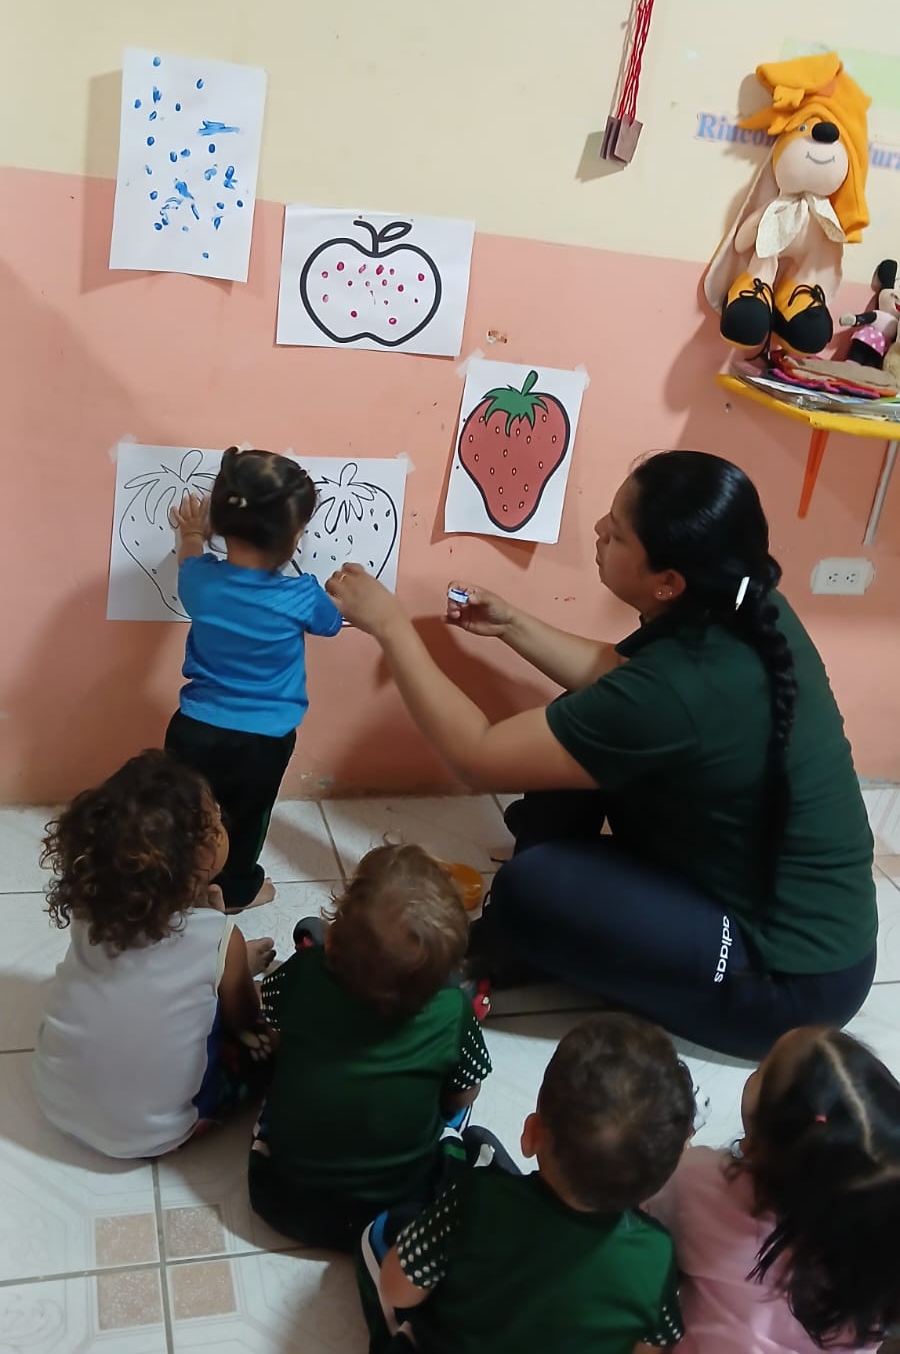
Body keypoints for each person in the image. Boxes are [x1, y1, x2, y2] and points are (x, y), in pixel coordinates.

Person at [325, 451, 877, 1060]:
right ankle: (545, 931)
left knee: (533, 889)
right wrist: (512, 624)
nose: (596, 531)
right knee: (576, 725)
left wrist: (392, 627)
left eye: (615, 533)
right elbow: (620, 676)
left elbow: (477, 755)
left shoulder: (688, 683)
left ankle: (523, 939)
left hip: (786, 986)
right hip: (740, 888)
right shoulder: (744, 600)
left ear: (668, 582)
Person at [359, 1012, 694, 1354]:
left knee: (376, 1237)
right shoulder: (656, 1256)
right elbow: (653, 1346)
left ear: (531, 1134)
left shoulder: (477, 1200)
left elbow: (397, 1289)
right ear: (658, 1183)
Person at [248, 842, 494, 1251]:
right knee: (460, 1095)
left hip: (287, 1199)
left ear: (334, 940)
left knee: (282, 1074)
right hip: (396, 1206)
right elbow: (465, 1091)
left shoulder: (305, 971)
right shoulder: (451, 1008)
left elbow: (273, 1029)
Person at [34, 750, 275, 1159]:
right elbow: (243, 1018)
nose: (222, 820)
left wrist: (224, 953)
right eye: (216, 817)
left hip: (53, 1098)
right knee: (267, 1042)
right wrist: (229, 954)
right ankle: (234, 981)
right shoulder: (218, 937)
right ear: (204, 854)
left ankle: (229, 972)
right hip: (153, 1135)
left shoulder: (90, 910)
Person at [647, 1025, 900, 1352]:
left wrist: (678, 1145)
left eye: (763, 1069)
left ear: (762, 1146)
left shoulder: (700, 1182)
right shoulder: (885, 1265)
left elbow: (650, 1198)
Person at [166, 446, 343, 911]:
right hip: (263, 740)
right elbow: (330, 622)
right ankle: (235, 892)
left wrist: (191, 532)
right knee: (247, 819)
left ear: (220, 521)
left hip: (194, 728)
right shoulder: (301, 596)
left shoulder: (199, 580)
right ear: (296, 536)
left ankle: (178, 885)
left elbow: (189, 554)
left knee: (185, 814)